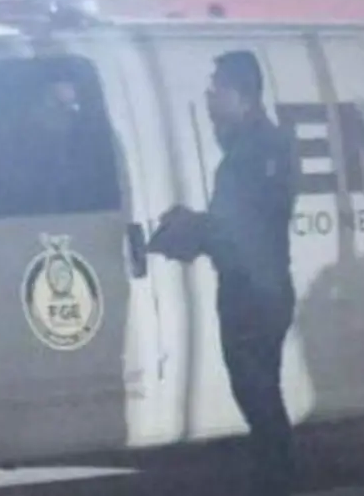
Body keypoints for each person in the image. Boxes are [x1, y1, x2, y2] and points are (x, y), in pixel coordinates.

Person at [151, 50, 298, 496]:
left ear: (242, 95)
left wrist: (190, 230)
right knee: (259, 391)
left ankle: (278, 481)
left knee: (258, 393)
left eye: (217, 89)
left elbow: (243, 228)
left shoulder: (255, 152)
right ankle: (275, 477)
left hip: (253, 293)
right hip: (257, 289)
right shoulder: (253, 146)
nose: (209, 97)